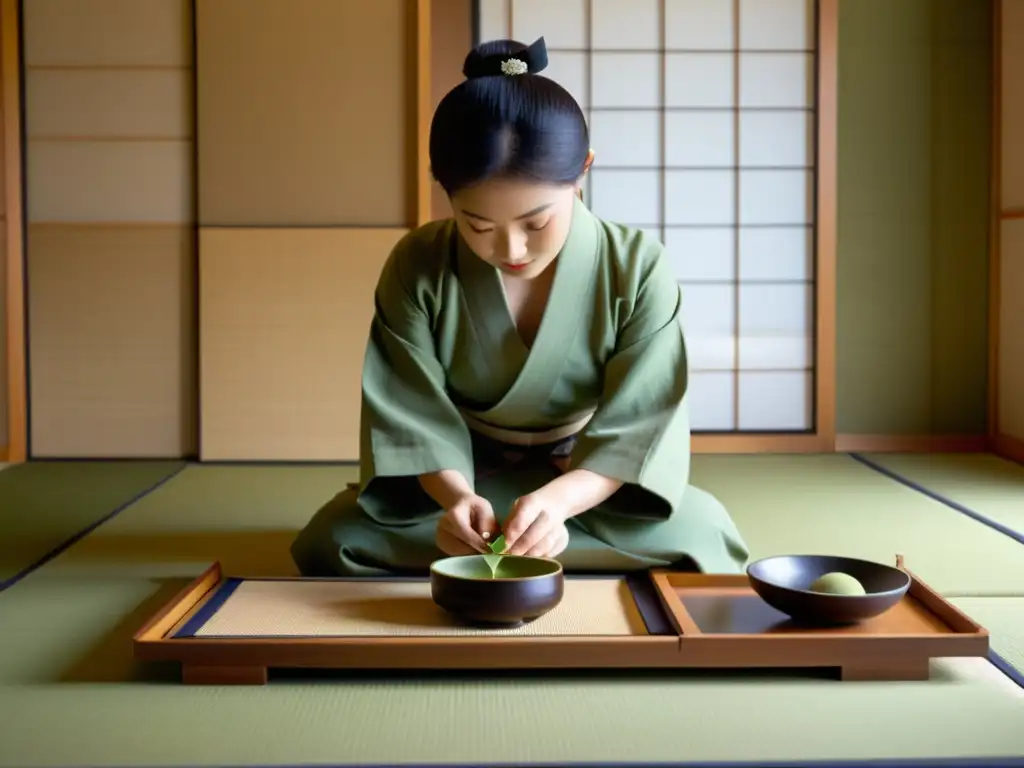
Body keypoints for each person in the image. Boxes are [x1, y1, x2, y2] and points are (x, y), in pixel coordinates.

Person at [289, 36, 750, 577]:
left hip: (586, 481)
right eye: (477, 225)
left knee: (705, 533)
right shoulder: (419, 263)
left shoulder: (637, 266)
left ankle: (521, 545)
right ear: (446, 192)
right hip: (466, 474)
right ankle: (505, 545)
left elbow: (639, 427)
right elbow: (409, 416)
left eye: (536, 222)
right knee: (334, 539)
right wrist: (456, 501)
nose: (509, 250)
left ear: (583, 170)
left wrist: (558, 503)